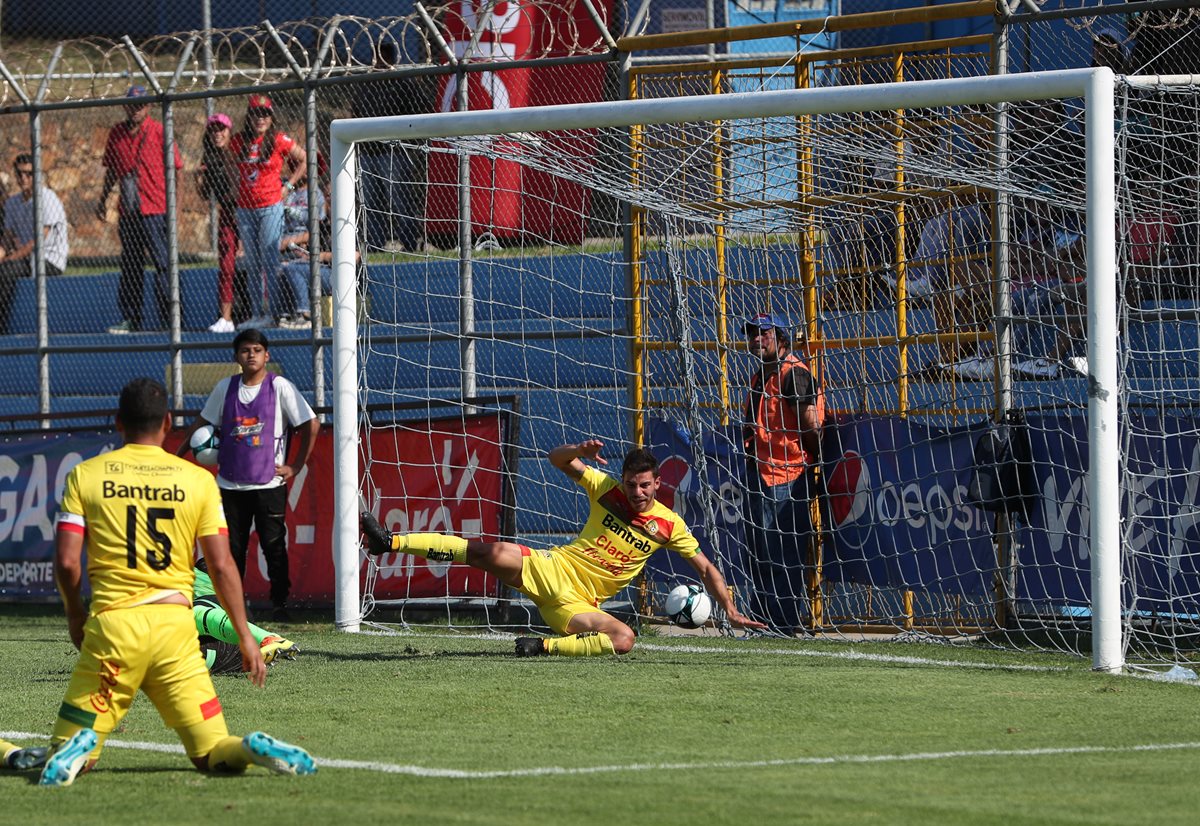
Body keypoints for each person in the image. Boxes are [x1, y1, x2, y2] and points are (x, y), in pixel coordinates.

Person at [40, 377, 315, 787]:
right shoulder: (198, 481)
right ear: (167, 422)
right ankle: (244, 747)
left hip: (115, 629)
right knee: (210, 752)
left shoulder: (86, 475)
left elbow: (65, 561)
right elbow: (221, 567)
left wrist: (75, 616)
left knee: (66, 751)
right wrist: (245, 636)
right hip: (175, 630)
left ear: (118, 422)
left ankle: (79, 746)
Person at [361, 440, 766, 656]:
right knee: (484, 552)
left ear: (658, 484)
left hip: (579, 606)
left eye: (645, 486)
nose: (637, 492)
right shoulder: (605, 489)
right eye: (631, 484)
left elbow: (706, 568)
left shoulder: (669, 524)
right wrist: (579, 453)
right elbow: (558, 459)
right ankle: (389, 542)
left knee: (624, 640)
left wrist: (730, 609)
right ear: (622, 480)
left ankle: (542, 646)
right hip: (553, 568)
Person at [176, 328, 318, 622]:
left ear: (266, 356)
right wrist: (177, 457)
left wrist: (295, 465)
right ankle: (233, 606)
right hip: (229, 485)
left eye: (256, 350)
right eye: (245, 350)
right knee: (232, 551)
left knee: (273, 546)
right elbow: (202, 424)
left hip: (268, 483)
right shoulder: (225, 389)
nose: (251, 355)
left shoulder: (280, 387)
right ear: (237, 357)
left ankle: (280, 605)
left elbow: (310, 424)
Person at [742, 313, 824, 634]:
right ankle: (762, 621)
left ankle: (784, 624)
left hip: (788, 476)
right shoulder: (762, 374)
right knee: (760, 553)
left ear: (782, 338)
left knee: (783, 554)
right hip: (761, 473)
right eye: (752, 334)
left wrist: (810, 465)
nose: (756, 340)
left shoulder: (794, 374)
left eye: (764, 333)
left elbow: (811, 426)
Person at [97, 85, 183, 335]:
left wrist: (175, 207)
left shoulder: (159, 131)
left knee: (164, 264)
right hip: (130, 210)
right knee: (131, 266)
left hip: (156, 208)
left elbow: (176, 169)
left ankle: (172, 318)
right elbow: (112, 170)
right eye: (132, 105)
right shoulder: (117, 134)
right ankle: (131, 317)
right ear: (125, 106)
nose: (136, 109)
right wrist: (102, 199)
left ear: (149, 107)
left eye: (141, 105)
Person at [351, 37, 435, 253]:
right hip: (369, 151)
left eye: (382, 57)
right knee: (371, 203)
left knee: (400, 199)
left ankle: (409, 242)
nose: (378, 61)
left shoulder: (402, 82)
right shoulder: (366, 84)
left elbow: (422, 109)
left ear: (390, 59)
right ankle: (375, 244)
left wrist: (408, 138)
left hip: (394, 152)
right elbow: (356, 112)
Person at [230, 94, 306, 329]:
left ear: (271, 118)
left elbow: (305, 159)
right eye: (256, 114)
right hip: (245, 209)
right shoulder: (238, 141)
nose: (260, 118)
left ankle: (273, 312)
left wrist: (289, 186)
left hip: (270, 206)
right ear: (249, 116)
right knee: (252, 262)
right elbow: (230, 166)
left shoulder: (278, 140)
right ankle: (257, 313)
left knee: (269, 259)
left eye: (265, 114)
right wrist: (235, 192)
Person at [0, 153, 69, 333]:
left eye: (29, 174)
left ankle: (2, 327)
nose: (23, 178)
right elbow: (6, 239)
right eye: (19, 173)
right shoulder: (12, 203)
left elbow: (38, 241)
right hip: (24, 260)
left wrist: (11, 258)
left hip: (48, 259)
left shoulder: (47, 198)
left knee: (7, 271)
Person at [196, 113, 240, 333]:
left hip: (247, 211)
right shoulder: (209, 157)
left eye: (221, 129)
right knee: (226, 265)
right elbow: (205, 194)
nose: (217, 134)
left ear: (229, 131)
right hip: (227, 214)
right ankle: (226, 318)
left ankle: (265, 312)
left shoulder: (238, 152)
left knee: (257, 263)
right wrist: (199, 179)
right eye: (213, 130)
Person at [276, 174, 330, 329]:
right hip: (316, 266)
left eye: (331, 195)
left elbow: (354, 256)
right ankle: (286, 314)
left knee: (293, 268)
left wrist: (316, 257)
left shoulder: (348, 223)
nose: (329, 199)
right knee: (284, 267)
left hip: (336, 274)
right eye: (327, 196)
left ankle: (305, 315)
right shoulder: (322, 224)